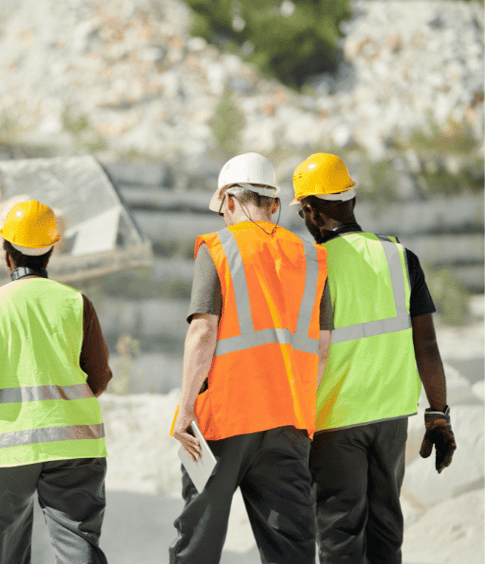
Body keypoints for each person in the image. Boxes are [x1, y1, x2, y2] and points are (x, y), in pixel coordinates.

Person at [291, 152, 457, 564]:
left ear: (311, 211)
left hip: (334, 421)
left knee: (339, 537)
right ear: (350, 200)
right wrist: (438, 414)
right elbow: (428, 347)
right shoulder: (400, 258)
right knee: (386, 535)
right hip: (390, 420)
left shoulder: (313, 267)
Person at [169, 152, 330, 564]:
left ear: (227, 200)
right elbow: (323, 347)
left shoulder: (219, 248)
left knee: (197, 546)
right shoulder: (312, 259)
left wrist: (185, 408)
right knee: (291, 550)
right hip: (289, 424)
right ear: (274, 205)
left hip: (225, 420)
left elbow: (203, 331)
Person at [0, 199, 112, 564]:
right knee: (76, 540)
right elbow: (99, 378)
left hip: (10, 448)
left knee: (10, 539)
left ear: (7, 254)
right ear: (50, 253)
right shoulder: (76, 303)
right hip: (74, 445)